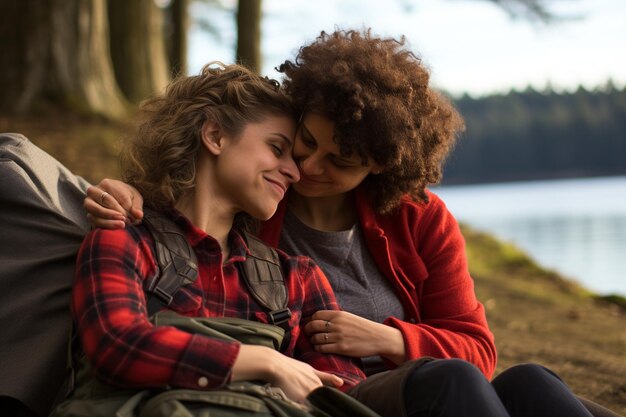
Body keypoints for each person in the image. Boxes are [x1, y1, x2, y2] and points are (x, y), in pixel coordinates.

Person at [84, 30, 620, 417]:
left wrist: (388, 339)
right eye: (301, 144)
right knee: (462, 383)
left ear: (379, 165)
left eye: (340, 161)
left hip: (394, 383)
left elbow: (475, 351)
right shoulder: (252, 210)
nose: (306, 169)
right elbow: (190, 202)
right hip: (372, 393)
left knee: (531, 383)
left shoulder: (407, 224)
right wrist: (126, 192)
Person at [54, 62, 370, 416]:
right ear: (216, 136)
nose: (296, 172)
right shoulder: (126, 241)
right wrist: (266, 361)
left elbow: (346, 390)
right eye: (277, 148)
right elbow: (117, 347)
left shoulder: (296, 277)